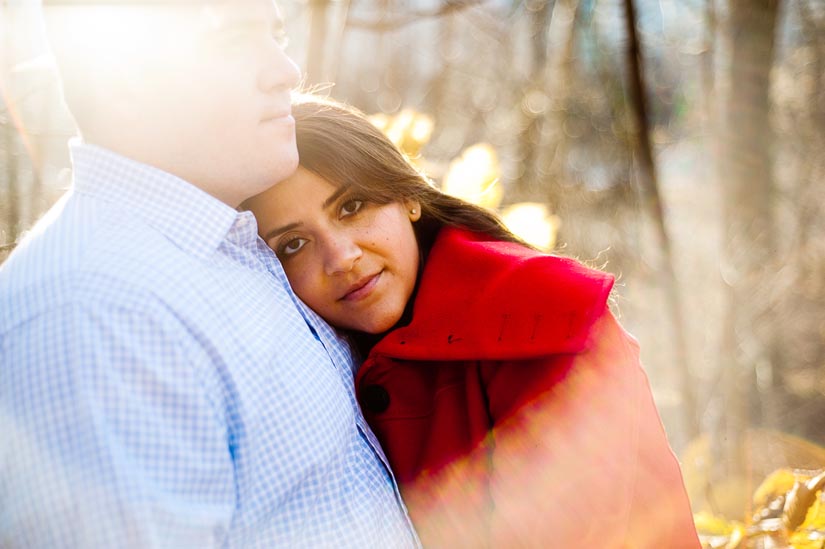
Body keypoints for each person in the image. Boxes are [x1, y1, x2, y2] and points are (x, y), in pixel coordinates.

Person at [0, 3, 418, 547]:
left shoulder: (239, 245)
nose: (286, 71)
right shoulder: (93, 314)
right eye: (235, 42)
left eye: (276, 35)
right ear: (124, 76)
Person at [242, 95, 702, 547]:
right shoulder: (322, 356)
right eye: (294, 245)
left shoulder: (542, 315)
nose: (341, 258)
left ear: (407, 197)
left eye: (351, 207)